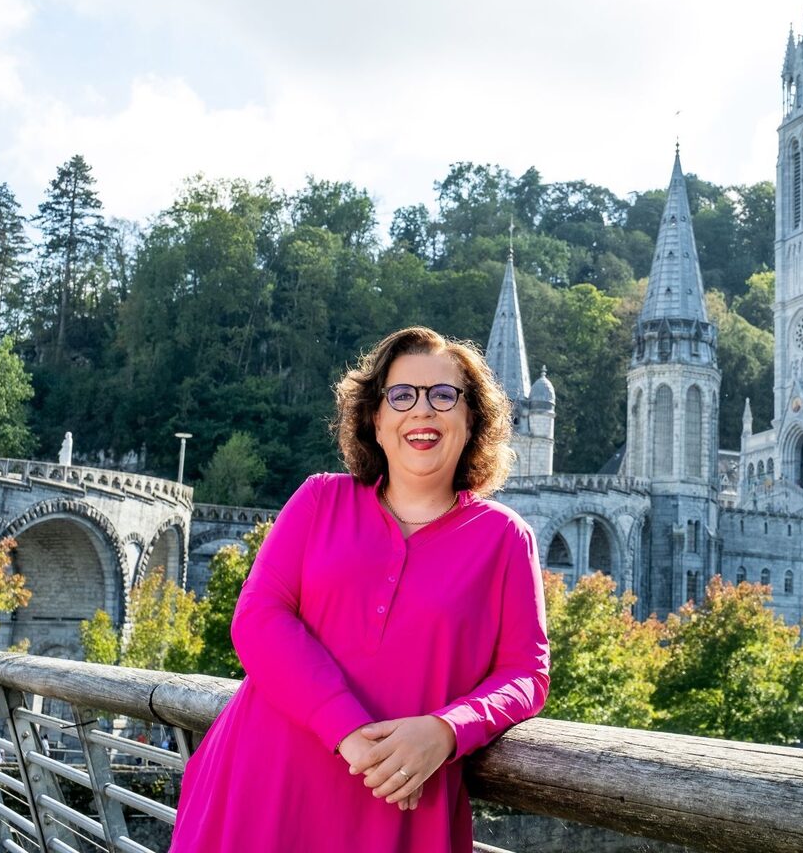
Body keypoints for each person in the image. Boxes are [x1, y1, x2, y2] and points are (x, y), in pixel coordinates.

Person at [170, 326, 551, 851]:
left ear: (472, 420)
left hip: (397, 801)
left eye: (444, 395)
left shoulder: (505, 538)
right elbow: (259, 617)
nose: (423, 410)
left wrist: (446, 730)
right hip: (262, 783)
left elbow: (525, 673)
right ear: (375, 418)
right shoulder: (319, 499)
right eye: (402, 395)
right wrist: (347, 731)